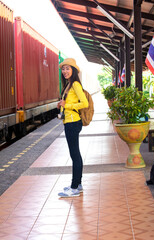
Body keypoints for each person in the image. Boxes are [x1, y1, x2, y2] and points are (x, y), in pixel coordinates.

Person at [57, 58, 88, 198]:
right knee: (74, 154)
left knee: (75, 155)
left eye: (67, 68)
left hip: (73, 123)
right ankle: (78, 184)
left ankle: (74, 187)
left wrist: (67, 105)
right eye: (63, 69)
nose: (64, 71)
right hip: (69, 122)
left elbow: (84, 103)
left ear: (73, 70)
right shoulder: (68, 85)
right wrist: (62, 104)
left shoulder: (75, 84)